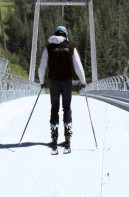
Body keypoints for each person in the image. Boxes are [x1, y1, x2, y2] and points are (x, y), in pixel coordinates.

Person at [38, 25, 87, 154]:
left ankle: (54, 136)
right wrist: (83, 81)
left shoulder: (48, 49)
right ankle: (68, 136)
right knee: (67, 108)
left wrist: (42, 82)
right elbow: (78, 67)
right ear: (66, 35)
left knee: (54, 108)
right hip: (66, 83)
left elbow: (41, 68)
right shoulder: (71, 49)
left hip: (53, 82)